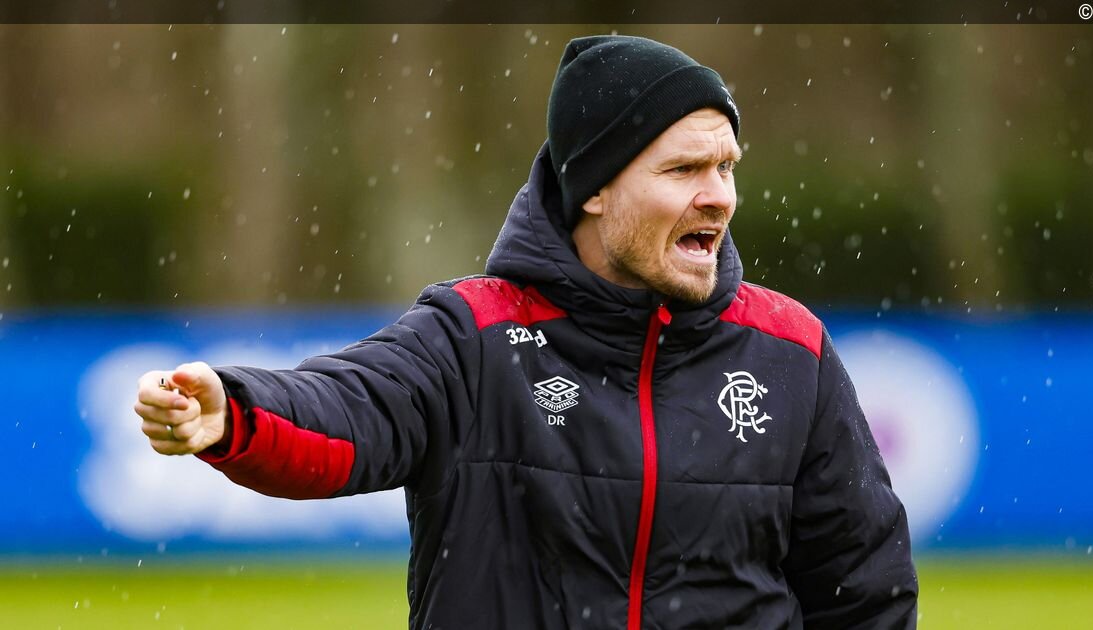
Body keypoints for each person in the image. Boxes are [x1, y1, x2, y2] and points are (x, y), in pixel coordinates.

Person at [134, 35, 918, 629]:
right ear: (595, 189)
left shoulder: (792, 351)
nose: (719, 196)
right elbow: (349, 409)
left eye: (727, 166)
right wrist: (234, 412)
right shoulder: (472, 335)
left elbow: (865, 591)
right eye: (684, 170)